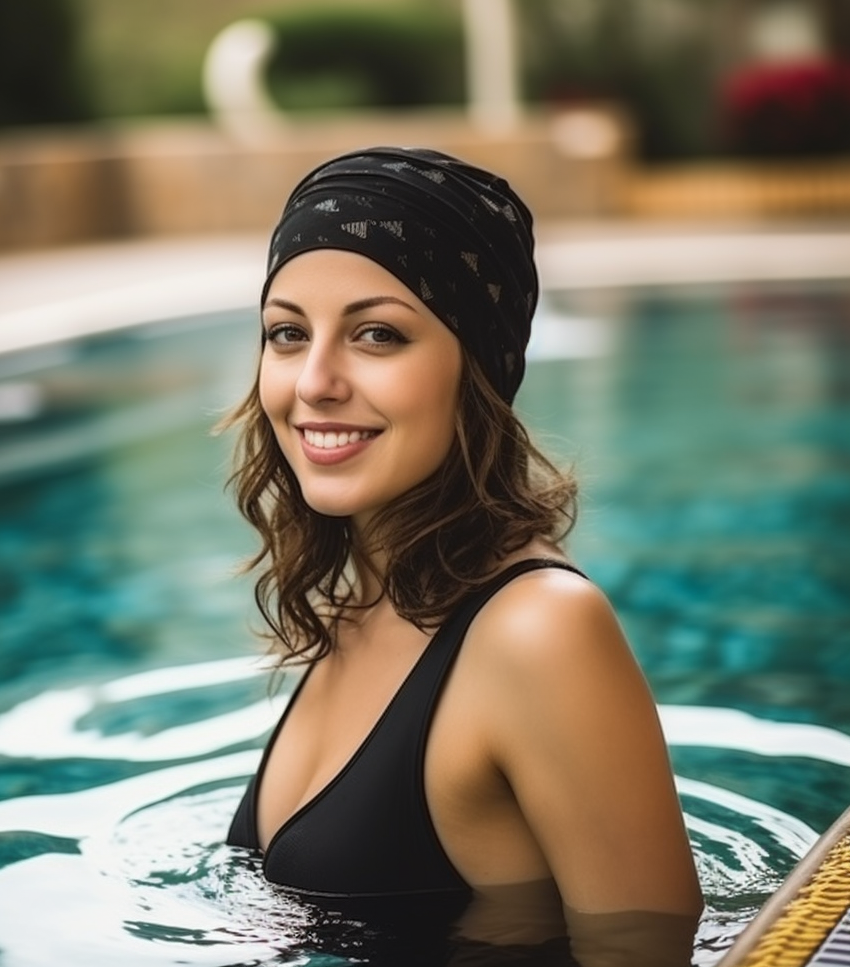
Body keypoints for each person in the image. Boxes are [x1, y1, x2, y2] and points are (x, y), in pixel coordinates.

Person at [223, 147, 702, 966]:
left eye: (377, 334)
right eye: (287, 333)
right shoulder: (358, 608)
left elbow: (646, 953)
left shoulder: (539, 630)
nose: (315, 381)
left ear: (476, 368)